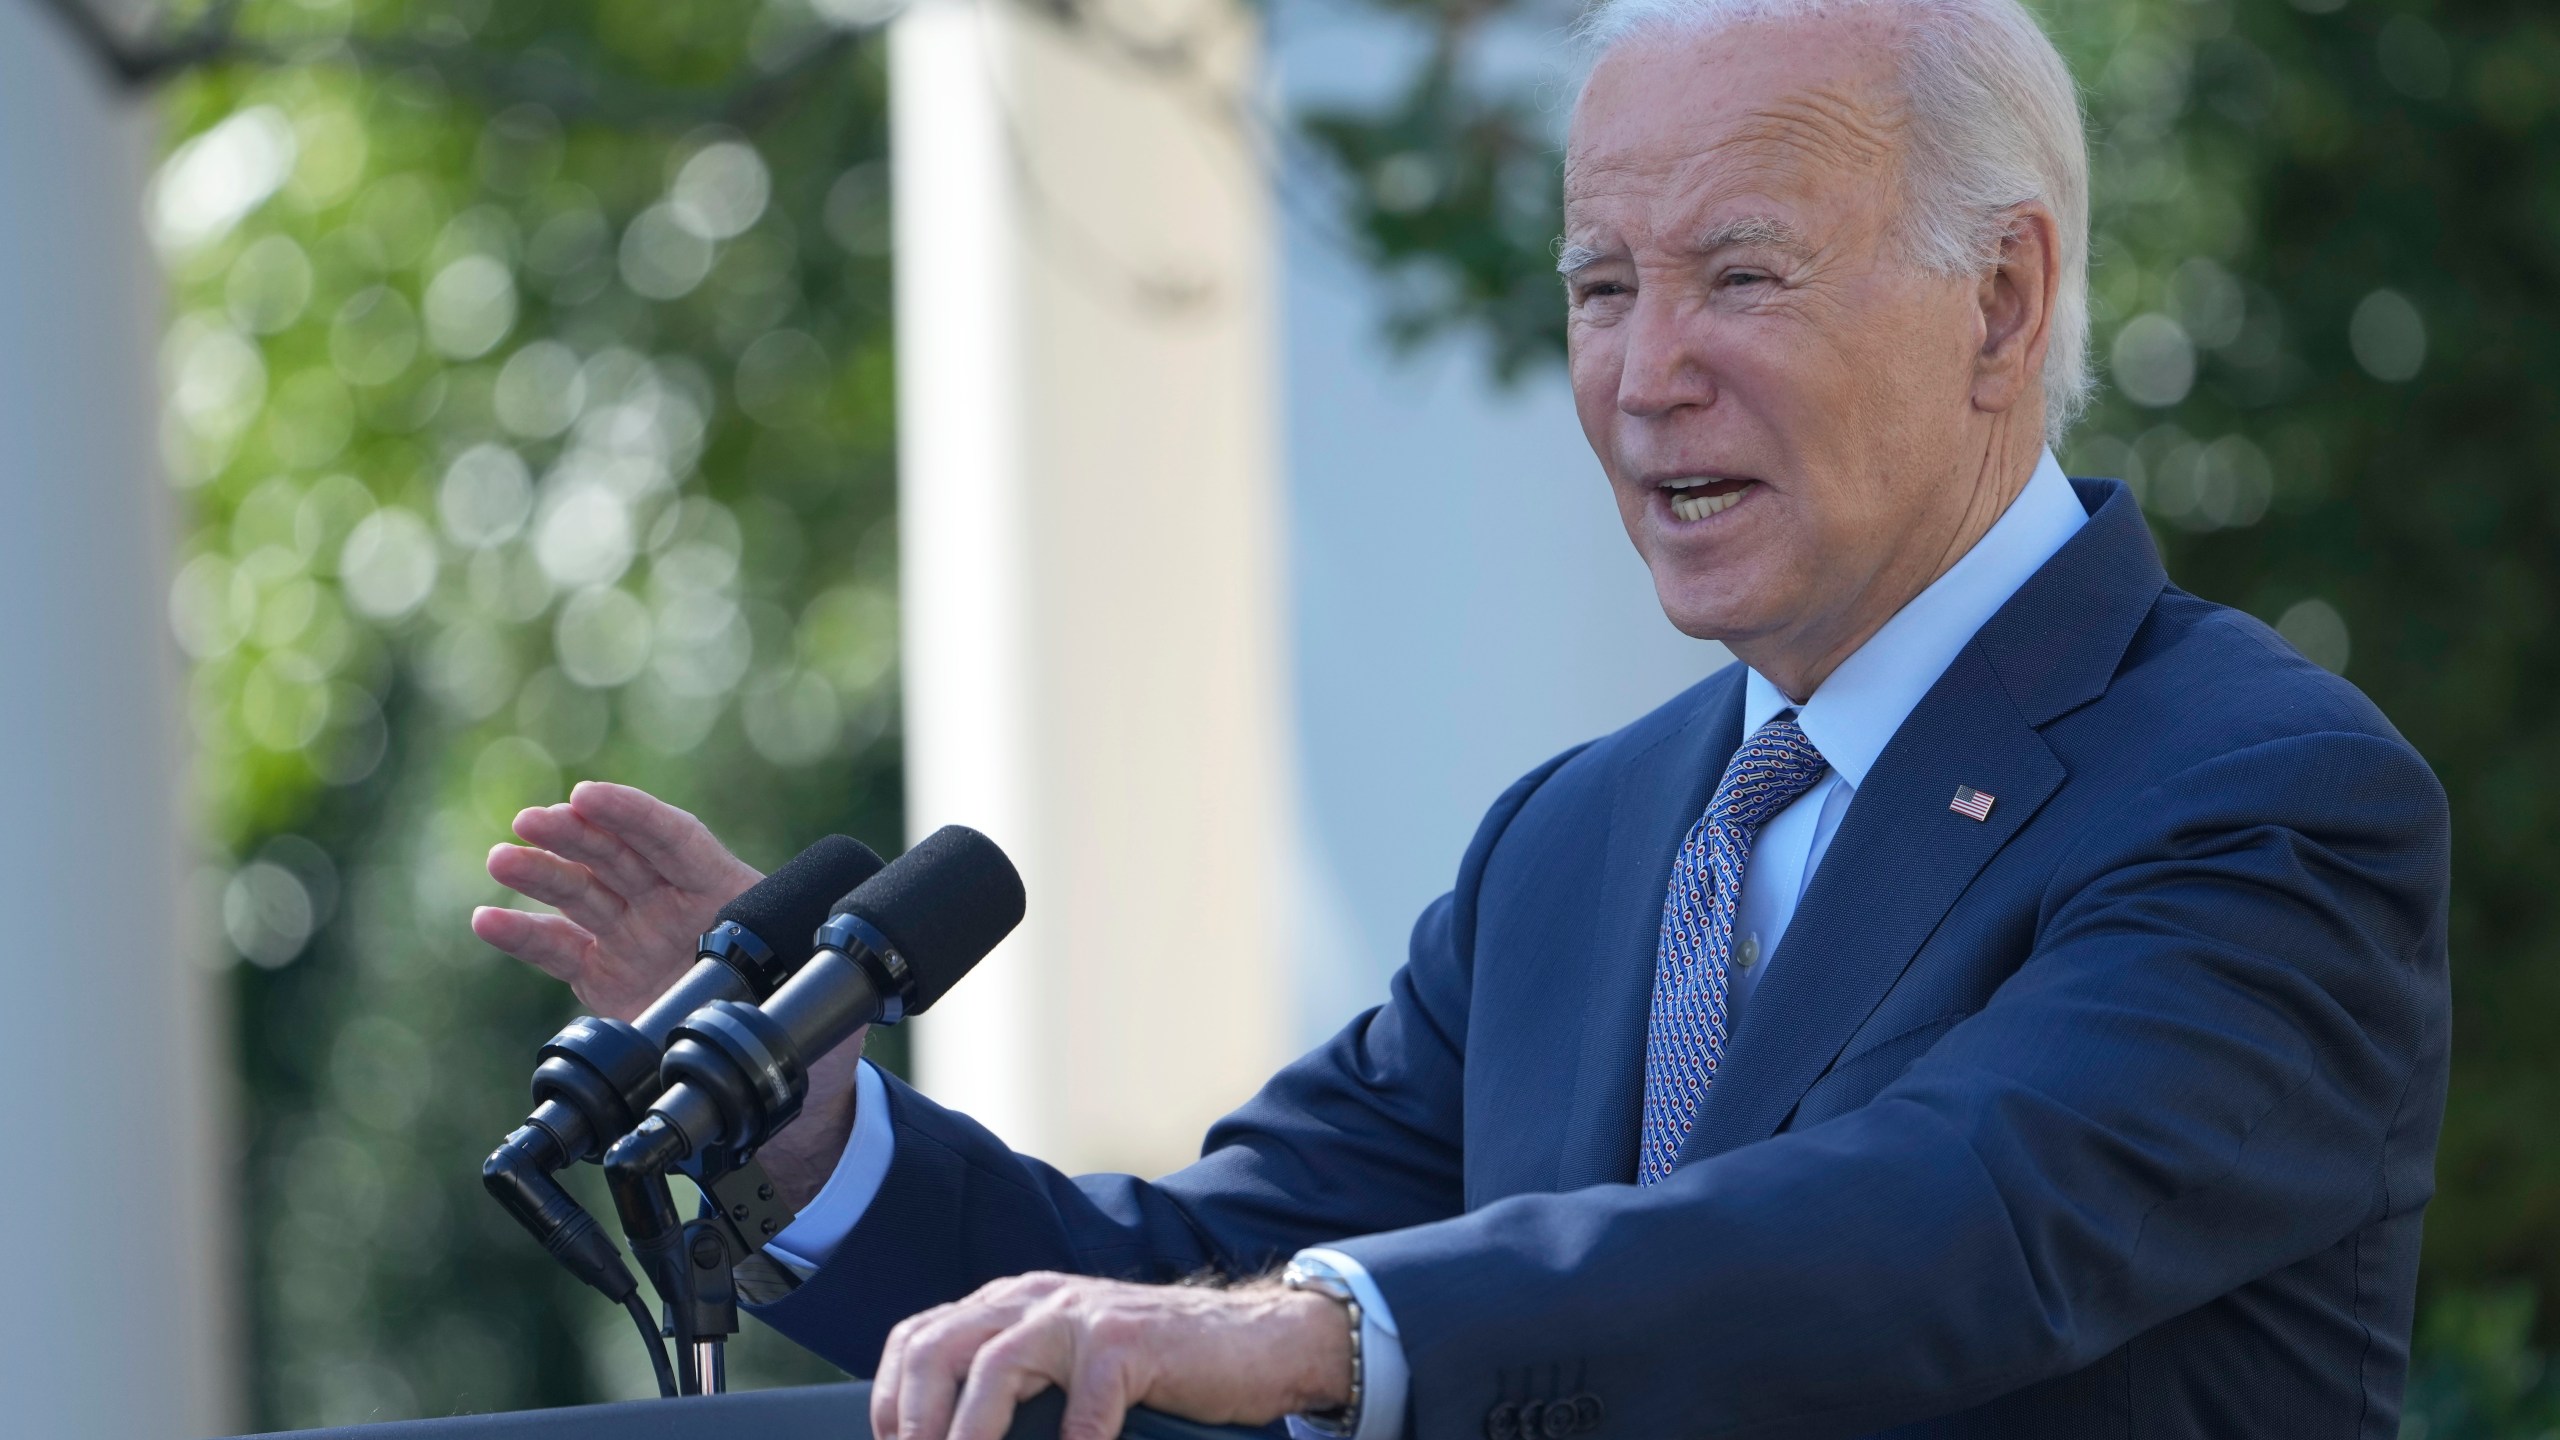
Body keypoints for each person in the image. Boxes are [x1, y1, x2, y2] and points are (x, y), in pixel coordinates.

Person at [473, 0, 2449, 1436]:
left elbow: (1944, 1223)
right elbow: (1180, 1298)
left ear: (2000, 305)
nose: (1644, 373)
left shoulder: (2261, 798)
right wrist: (820, 1143)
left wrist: (1329, 1328)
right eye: (1599, 284)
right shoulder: (1575, 843)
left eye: (1736, 273)